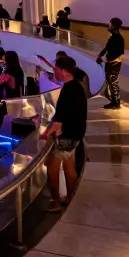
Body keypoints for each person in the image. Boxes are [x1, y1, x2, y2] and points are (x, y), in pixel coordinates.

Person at [44, 55, 87, 212]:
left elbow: (59, 121)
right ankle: (70, 197)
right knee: (69, 167)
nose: (53, 71)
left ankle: (56, 202)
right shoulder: (77, 86)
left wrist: (46, 134)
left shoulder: (68, 90)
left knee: (52, 168)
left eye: (55, 69)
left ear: (63, 71)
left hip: (67, 137)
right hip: (76, 134)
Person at [96, 17, 125, 110]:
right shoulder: (113, 38)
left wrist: (110, 60)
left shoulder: (118, 38)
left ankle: (116, 103)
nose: (109, 25)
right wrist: (100, 56)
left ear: (114, 26)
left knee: (113, 83)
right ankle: (113, 101)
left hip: (114, 64)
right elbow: (106, 48)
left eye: (111, 24)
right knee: (110, 83)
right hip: (111, 63)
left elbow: (119, 52)